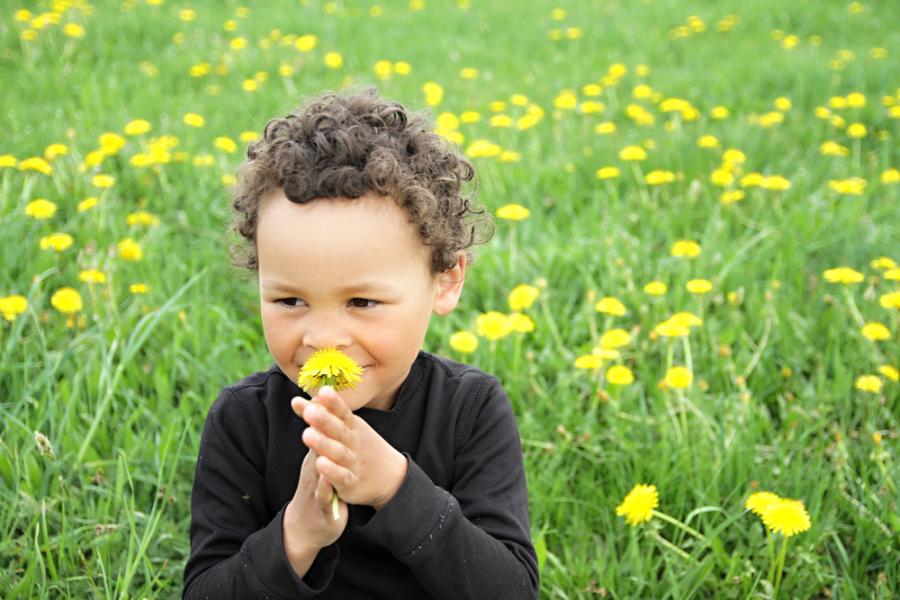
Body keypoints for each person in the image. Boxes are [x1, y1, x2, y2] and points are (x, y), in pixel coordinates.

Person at [183, 86, 539, 599]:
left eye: (362, 303)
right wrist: (297, 533)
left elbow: (512, 592)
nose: (323, 338)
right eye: (289, 301)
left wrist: (396, 488)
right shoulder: (243, 422)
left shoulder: (470, 411)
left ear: (445, 279)